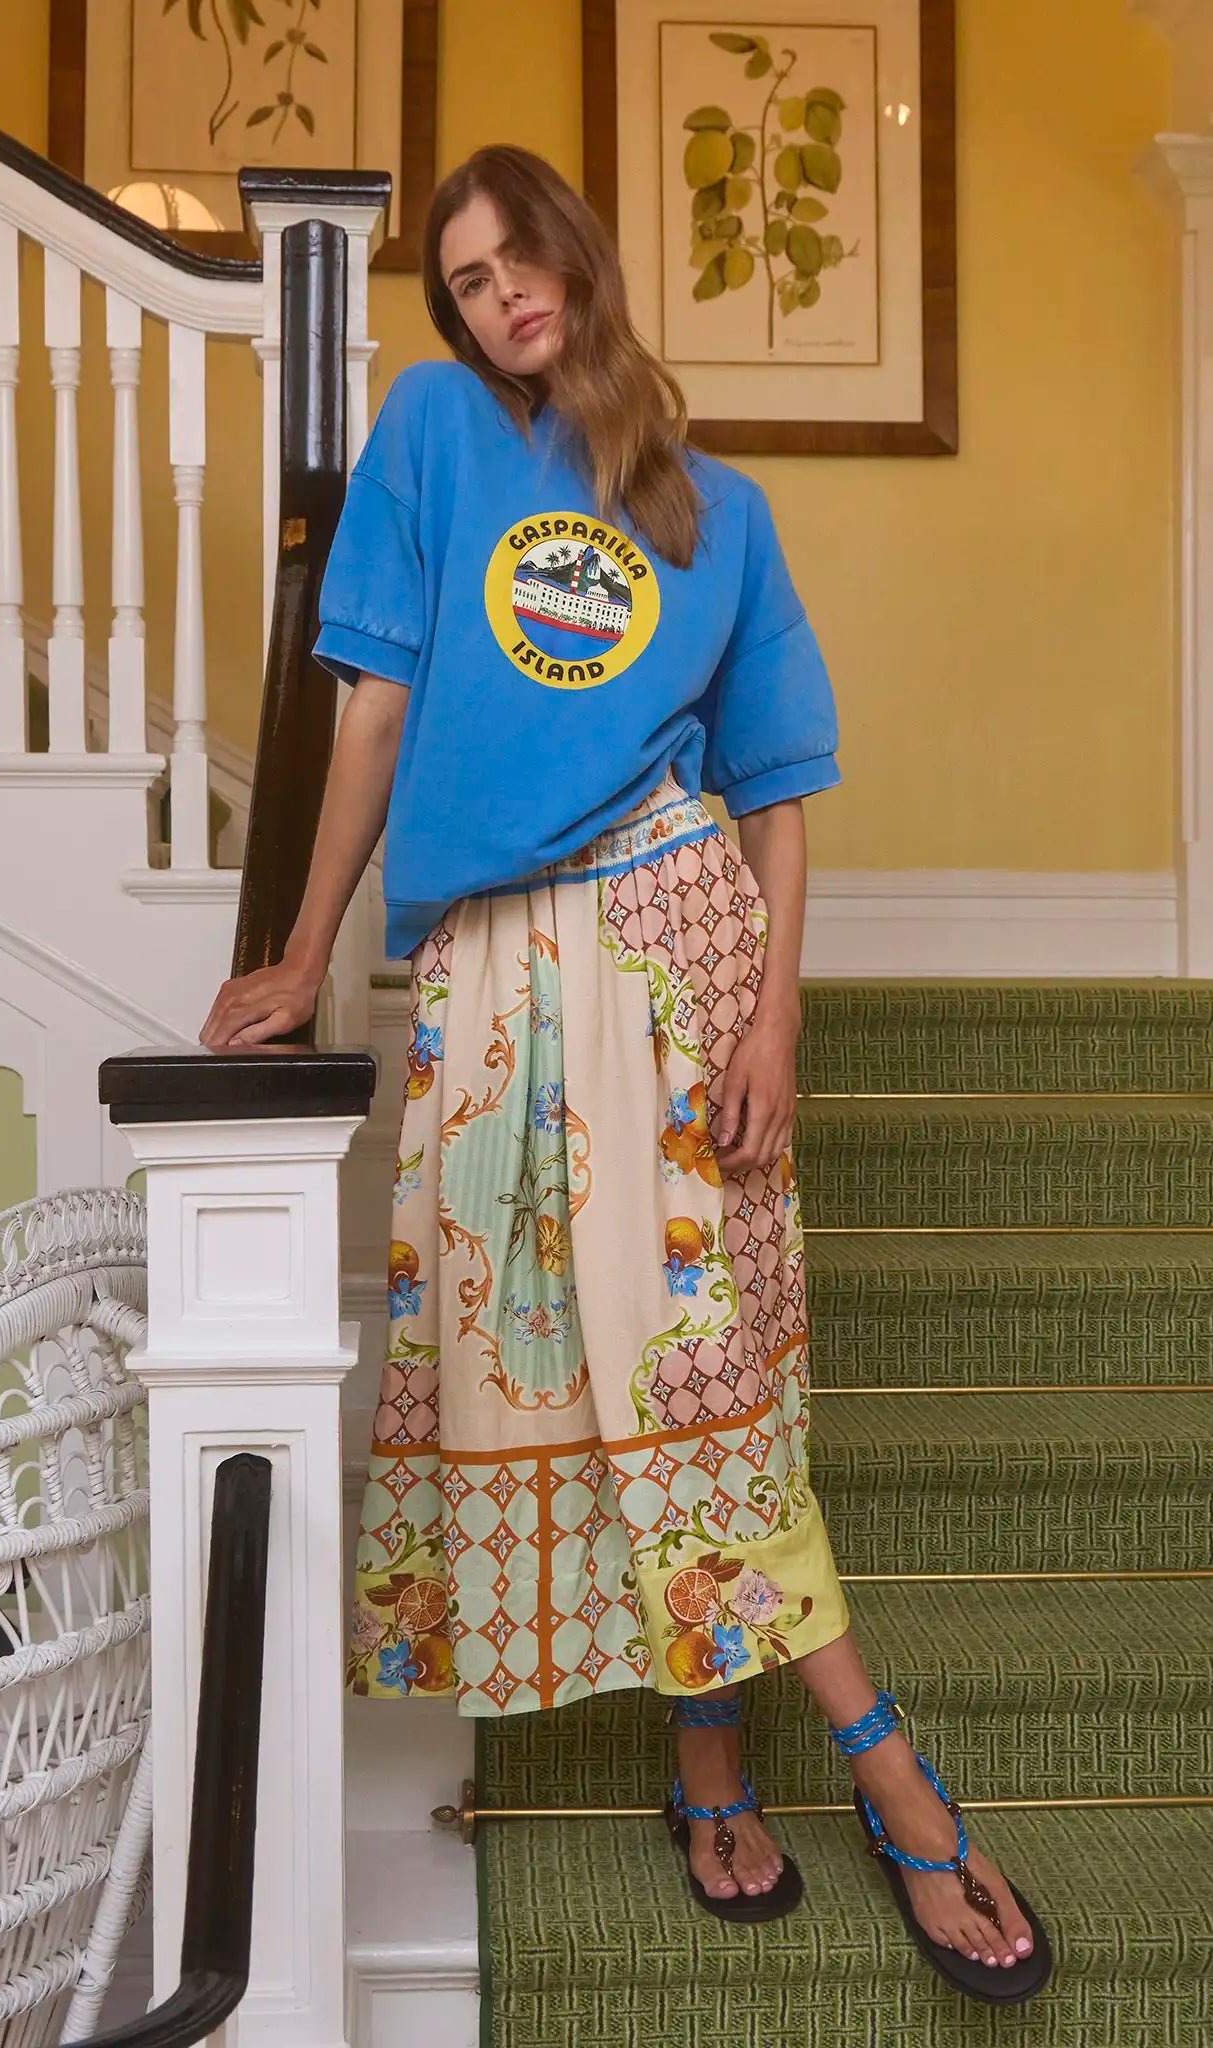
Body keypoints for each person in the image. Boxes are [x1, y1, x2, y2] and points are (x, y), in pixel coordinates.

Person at [200, 144, 1050, 2005]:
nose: (500, 296)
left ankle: (825, 1764)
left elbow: (778, 790)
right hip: (496, 966)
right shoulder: (429, 434)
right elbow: (377, 703)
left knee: (703, 1363)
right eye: (466, 278)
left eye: (521, 261)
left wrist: (775, 1016)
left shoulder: (711, 508)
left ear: (577, 263)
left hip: (679, 933)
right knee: (571, 1364)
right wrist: (303, 948)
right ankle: (737, 1761)